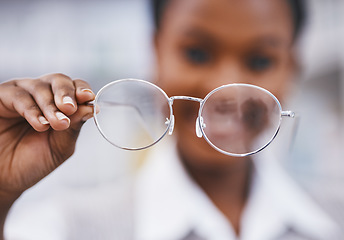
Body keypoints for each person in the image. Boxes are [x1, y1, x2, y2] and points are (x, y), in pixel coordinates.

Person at [0, 0, 341, 239]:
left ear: (292, 69)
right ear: (156, 51)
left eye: (260, 60)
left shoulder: (334, 222)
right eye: (197, 53)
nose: (223, 90)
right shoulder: (66, 226)